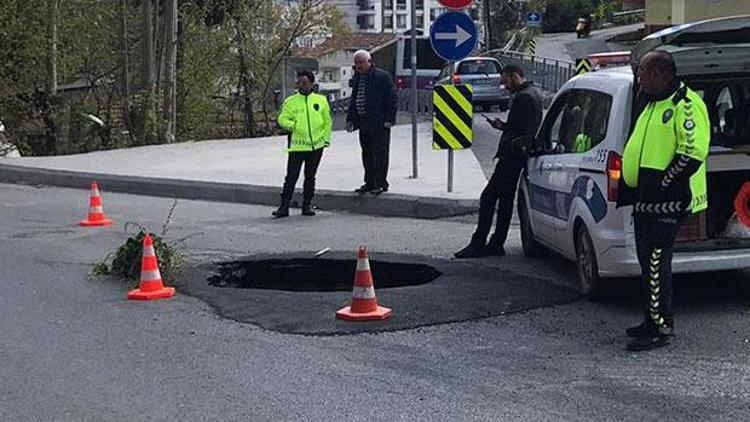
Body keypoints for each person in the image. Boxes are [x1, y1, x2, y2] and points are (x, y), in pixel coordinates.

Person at [618, 51, 710, 351]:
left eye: (642, 72)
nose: (639, 78)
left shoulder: (685, 104)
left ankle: (660, 327)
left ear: (659, 72)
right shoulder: (652, 103)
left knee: (656, 263)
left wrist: (663, 185)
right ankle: (652, 318)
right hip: (645, 202)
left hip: (666, 204)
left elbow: (692, 154)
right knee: (649, 264)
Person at [454, 65, 543, 258]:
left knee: (488, 198)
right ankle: (496, 243)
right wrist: (502, 125)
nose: (505, 85)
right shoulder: (532, 94)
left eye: (506, 81)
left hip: (511, 157)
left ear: (515, 76)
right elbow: (518, 127)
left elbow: (520, 131)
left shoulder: (524, 97)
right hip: (516, 156)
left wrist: (506, 131)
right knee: (504, 201)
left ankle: (479, 243)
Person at [273, 70, 332, 218]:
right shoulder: (290, 101)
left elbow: (327, 122)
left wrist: (326, 139)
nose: (301, 85)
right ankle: (284, 207)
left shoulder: (321, 100)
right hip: (298, 146)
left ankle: (307, 205)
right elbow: (282, 119)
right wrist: (293, 125)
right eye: (299, 82)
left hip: (316, 146)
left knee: (310, 176)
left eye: (304, 83)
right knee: (291, 177)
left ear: (311, 83)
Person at [346, 50, 398, 195]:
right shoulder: (358, 79)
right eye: (356, 63)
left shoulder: (382, 77)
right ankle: (369, 182)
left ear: (369, 62)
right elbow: (354, 100)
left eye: (361, 62)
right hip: (364, 123)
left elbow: (392, 99)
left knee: (380, 154)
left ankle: (381, 183)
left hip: (379, 123)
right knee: (367, 154)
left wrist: (389, 119)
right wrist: (350, 119)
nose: (359, 66)